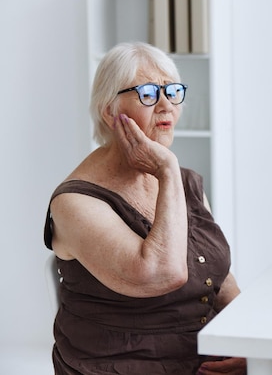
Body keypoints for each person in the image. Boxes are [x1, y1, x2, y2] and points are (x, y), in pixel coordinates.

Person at [43, 42, 246, 374]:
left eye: (172, 91)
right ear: (110, 111)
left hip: (202, 359)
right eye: (148, 93)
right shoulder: (73, 202)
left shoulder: (185, 182)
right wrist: (167, 169)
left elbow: (217, 277)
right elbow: (162, 274)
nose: (166, 105)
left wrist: (245, 340)